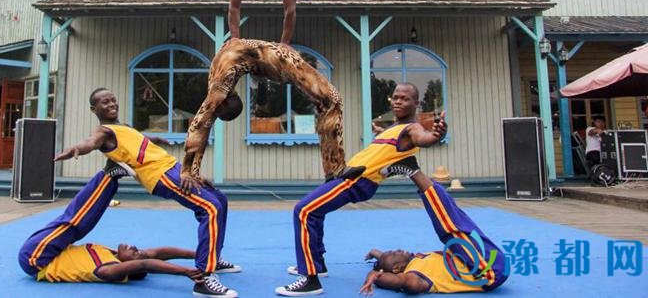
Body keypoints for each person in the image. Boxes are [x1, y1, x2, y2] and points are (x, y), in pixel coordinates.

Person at [54, 88, 241, 298]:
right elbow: (90, 142)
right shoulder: (103, 132)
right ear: (93, 109)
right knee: (210, 208)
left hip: (174, 168)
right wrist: (77, 149)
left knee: (220, 200)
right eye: (105, 102)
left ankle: (213, 257)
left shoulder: (123, 127)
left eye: (113, 100)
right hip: (161, 175)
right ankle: (204, 277)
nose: (112, 104)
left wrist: (154, 139)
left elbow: (135, 139)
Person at [275, 83, 447, 296]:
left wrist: (436, 135)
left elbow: (423, 138)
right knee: (315, 212)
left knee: (304, 210)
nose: (398, 102)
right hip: (350, 177)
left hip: (357, 181)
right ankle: (317, 264)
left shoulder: (412, 128)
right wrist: (381, 132)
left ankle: (310, 280)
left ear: (416, 103)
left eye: (405, 98)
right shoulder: (395, 128)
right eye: (395, 97)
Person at [181, 38, 357, 193]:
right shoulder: (217, 73)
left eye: (216, 112)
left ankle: (334, 169)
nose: (213, 115)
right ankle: (333, 170)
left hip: (282, 61)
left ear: (223, 104)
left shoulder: (219, 90)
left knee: (332, 100)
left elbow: (200, 125)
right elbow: (204, 125)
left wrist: (187, 171)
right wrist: (193, 173)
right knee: (330, 102)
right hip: (275, 55)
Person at [18, 165, 205, 285]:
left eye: (134, 253)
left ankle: (108, 174)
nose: (134, 247)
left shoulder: (108, 269)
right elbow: (157, 253)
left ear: (130, 264)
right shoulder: (114, 254)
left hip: (35, 259)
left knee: (73, 223)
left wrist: (187, 272)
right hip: (51, 252)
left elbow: (145, 263)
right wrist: (202, 255)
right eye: (137, 250)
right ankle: (111, 176)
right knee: (86, 221)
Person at [359, 161, 508, 295]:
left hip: (483, 261)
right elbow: (404, 282)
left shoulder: (414, 260)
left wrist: (376, 253)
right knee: (449, 225)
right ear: (397, 269)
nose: (397, 249)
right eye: (393, 253)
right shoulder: (415, 274)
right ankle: (412, 171)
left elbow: (387, 261)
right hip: (487, 271)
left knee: (455, 216)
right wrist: (376, 276)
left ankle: (413, 171)